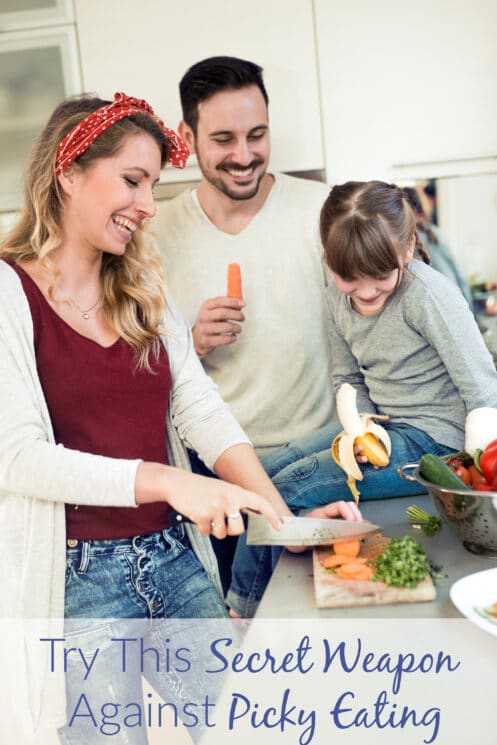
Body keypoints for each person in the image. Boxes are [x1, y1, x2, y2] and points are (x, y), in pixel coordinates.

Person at [0, 90, 328, 743]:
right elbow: (17, 456)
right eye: (132, 180)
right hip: (76, 584)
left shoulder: (143, 288)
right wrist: (169, 480)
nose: (148, 204)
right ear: (67, 172)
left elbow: (199, 409)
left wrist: (278, 517)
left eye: (151, 183)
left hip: (173, 558)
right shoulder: (9, 292)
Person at [227, 180, 497, 617]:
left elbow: (484, 391)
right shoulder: (338, 297)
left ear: (408, 248)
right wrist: (364, 429)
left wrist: (474, 485)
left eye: (380, 278)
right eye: (350, 281)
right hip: (382, 427)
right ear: (329, 260)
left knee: (282, 489)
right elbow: (348, 377)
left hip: (434, 440)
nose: (366, 293)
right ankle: (266, 575)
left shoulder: (428, 297)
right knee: (259, 474)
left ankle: (245, 610)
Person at [156, 55, 336, 591]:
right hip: (216, 486)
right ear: (186, 136)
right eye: (224, 139)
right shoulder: (153, 234)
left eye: (257, 135)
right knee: (244, 642)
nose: (244, 155)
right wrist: (188, 343)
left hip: (320, 467)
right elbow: (131, 366)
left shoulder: (322, 212)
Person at [402, 185, 474, 308]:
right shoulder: (435, 232)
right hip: (456, 300)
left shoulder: (406, 242)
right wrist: (470, 309)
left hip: (441, 305)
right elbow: (459, 274)